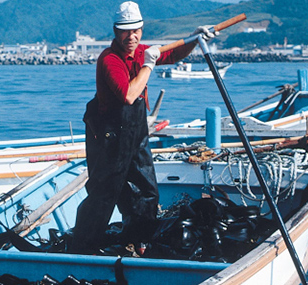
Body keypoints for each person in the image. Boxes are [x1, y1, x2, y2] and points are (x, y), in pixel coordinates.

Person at [71, 1, 216, 253]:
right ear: (116, 31)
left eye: (136, 30)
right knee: (104, 192)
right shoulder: (110, 59)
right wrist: (149, 65)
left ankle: (138, 241)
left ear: (142, 28)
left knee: (146, 189)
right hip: (109, 136)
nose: (132, 36)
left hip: (135, 132)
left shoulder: (142, 51)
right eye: (126, 31)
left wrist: (194, 37)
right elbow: (128, 95)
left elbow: (174, 54)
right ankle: (81, 247)